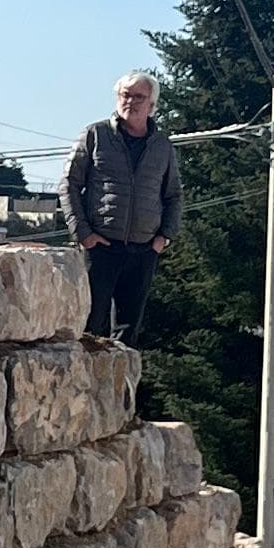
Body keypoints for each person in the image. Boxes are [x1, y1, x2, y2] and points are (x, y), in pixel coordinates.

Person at [63, 70, 181, 343]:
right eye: (125, 95)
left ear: (152, 105)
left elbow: (173, 195)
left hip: (143, 251)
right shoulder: (96, 135)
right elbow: (68, 184)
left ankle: (121, 387)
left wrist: (164, 237)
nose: (131, 101)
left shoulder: (162, 146)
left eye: (139, 97)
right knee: (90, 328)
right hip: (101, 248)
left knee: (128, 335)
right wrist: (83, 233)